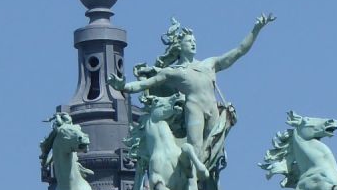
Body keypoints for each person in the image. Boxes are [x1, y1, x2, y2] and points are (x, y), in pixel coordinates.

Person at [111, 14, 274, 179]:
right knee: (195, 148)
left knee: (212, 151)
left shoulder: (209, 64)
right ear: (179, 46)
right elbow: (144, 84)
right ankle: (189, 182)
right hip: (194, 109)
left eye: (194, 40)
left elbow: (239, 50)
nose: (194, 43)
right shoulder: (174, 72)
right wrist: (122, 86)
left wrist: (256, 29)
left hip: (213, 110)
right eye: (189, 41)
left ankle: (205, 185)